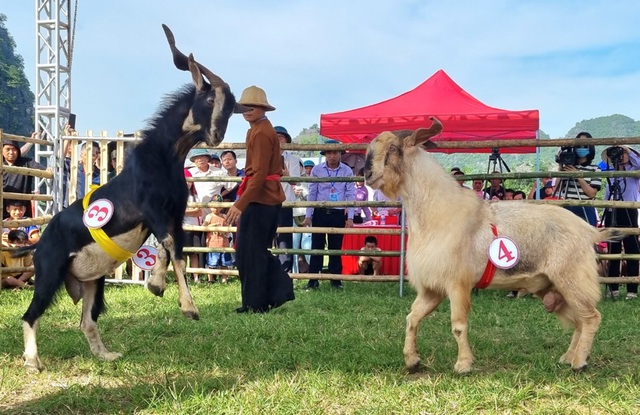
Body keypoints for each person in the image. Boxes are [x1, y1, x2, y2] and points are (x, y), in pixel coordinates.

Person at [223, 85, 294, 313]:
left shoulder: (262, 132)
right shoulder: (256, 129)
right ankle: (256, 301)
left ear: (263, 108)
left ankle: (265, 298)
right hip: (259, 196)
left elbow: (261, 173)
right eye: (244, 107)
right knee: (248, 251)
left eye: (251, 106)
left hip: (262, 198)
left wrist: (240, 203)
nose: (246, 110)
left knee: (253, 251)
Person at [302, 139, 356, 290]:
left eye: (335, 152)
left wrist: (350, 217)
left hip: (338, 213)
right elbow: (312, 193)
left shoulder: (347, 171)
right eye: (329, 152)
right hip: (319, 212)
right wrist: (308, 215)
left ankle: (336, 280)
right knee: (316, 248)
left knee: (335, 248)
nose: (332, 156)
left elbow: (350, 194)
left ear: (340, 154)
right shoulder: (317, 170)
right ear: (325, 154)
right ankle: (313, 280)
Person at [601, 145, 640, 300]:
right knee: (613, 250)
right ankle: (613, 288)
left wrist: (628, 151)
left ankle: (632, 290)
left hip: (628, 210)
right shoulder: (611, 173)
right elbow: (607, 193)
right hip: (612, 211)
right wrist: (605, 206)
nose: (620, 155)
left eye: (623, 153)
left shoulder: (633, 171)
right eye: (618, 153)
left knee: (632, 250)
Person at [554, 132, 601, 226]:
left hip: (585, 207)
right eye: (579, 145)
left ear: (590, 148)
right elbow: (557, 189)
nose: (581, 148)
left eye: (585, 146)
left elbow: (592, 193)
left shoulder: (595, 169)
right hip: (568, 207)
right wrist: (561, 167)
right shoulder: (567, 167)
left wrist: (578, 176)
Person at [274, 125, 302, 272]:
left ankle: (285, 273)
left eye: (281, 137)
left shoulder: (293, 159)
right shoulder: (265, 155)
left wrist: (285, 174)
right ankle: (270, 272)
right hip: (267, 202)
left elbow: (295, 181)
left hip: (285, 202)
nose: (278, 139)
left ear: (286, 140)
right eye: (275, 136)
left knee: (284, 239)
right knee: (267, 238)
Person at [2, 139, 47, 218]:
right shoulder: (0, 164)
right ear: (2, 150)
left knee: (24, 229)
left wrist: (47, 170)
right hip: (2, 207)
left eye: (14, 149)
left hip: (22, 209)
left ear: (18, 151)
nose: (11, 152)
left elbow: (42, 170)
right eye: (8, 149)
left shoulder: (27, 162)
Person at [203, 195, 232, 283]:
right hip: (212, 243)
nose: (216, 208)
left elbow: (229, 228)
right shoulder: (209, 217)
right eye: (214, 205)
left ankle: (224, 279)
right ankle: (210, 279)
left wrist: (224, 230)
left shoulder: (224, 216)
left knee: (224, 263)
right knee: (212, 263)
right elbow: (203, 226)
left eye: (218, 206)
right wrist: (212, 226)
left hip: (224, 243)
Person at [183, 169, 203, 283]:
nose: (188, 183)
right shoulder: (177, 195)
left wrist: (183, 211)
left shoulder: (195, 195)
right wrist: (192, 210)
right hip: (182, 227)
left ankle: (196, 277)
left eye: (190, 181)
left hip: (195, 227)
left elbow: (199, 211)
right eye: (185, 180)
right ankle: (183, 276)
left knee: (194, 253)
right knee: (182, 254)